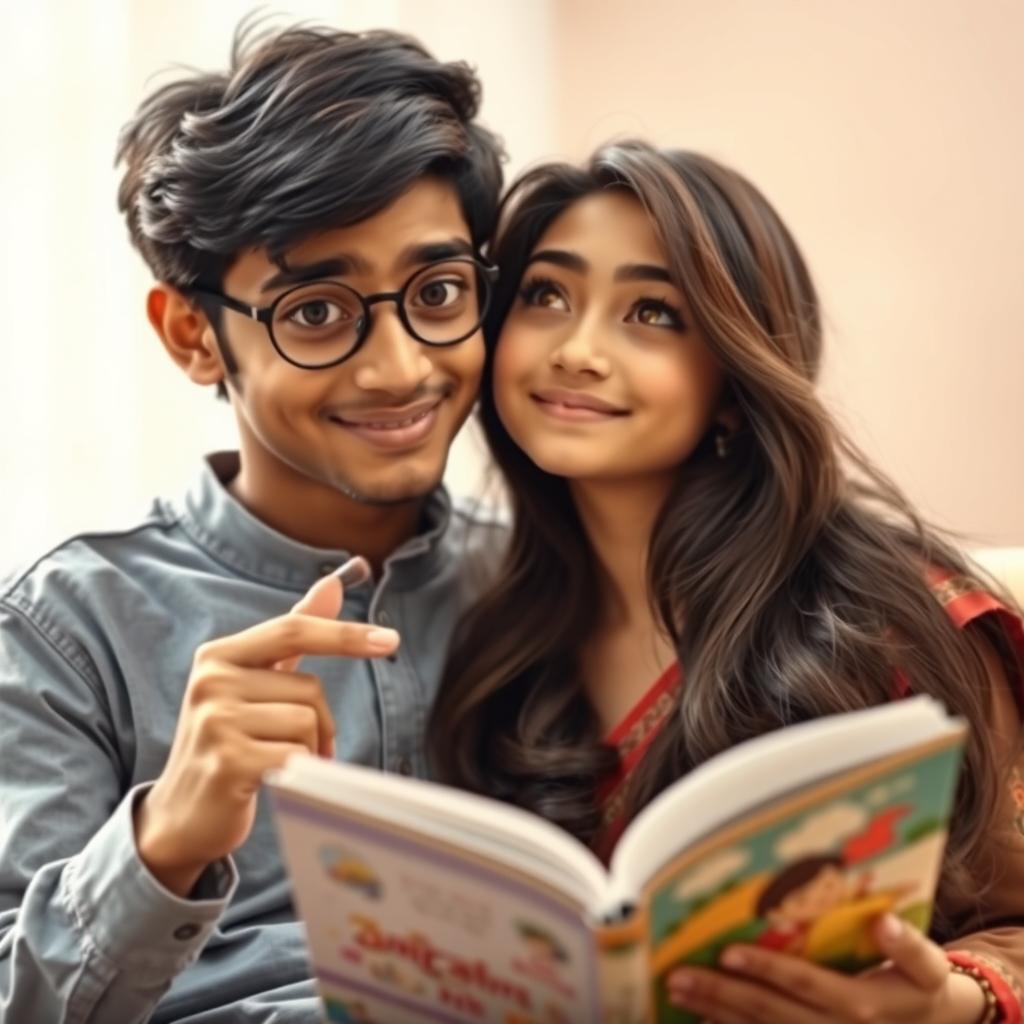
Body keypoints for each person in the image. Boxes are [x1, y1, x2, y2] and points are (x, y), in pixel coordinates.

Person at [431, 141, 1024, 1023]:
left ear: (735, 385)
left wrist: (948, 1002)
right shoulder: (497, 642)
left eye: (653, 313)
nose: (579, 351)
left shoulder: (894, 622)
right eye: (546, 295)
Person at [0, 22, 504, 1023]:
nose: (401, 366)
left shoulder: (546, 580)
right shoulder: (66, 628)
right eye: (317, 311)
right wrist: (166, 837)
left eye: (439, 293)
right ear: (192, 333)